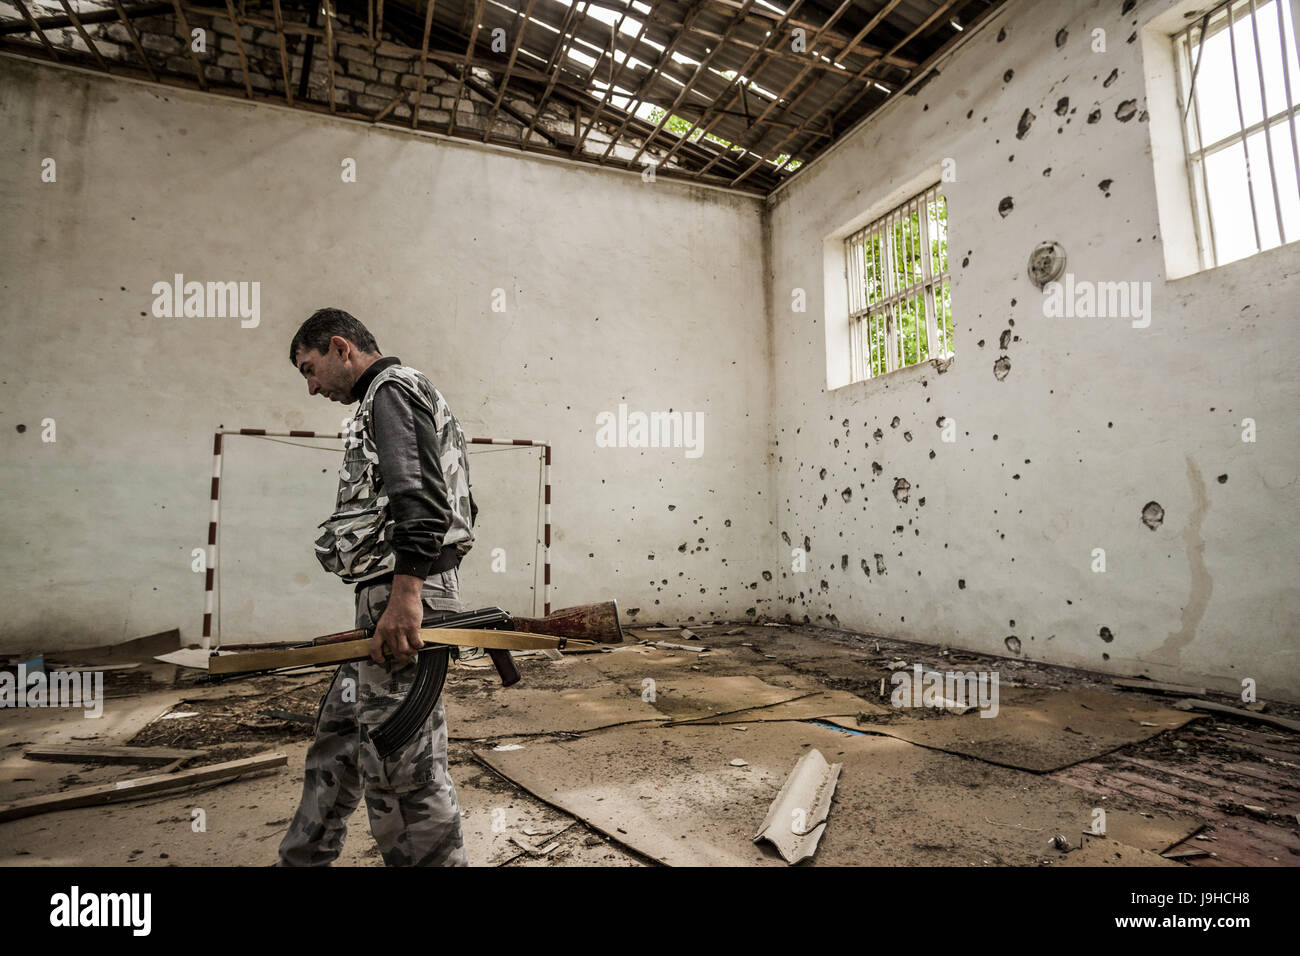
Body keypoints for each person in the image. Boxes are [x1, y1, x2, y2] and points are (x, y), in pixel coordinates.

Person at [278, 308, 477, 867]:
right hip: (385, 599)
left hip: (404, 597)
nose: (313, 386)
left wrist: (407, 594)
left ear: (342, 348)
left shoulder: (392, 389)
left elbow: (418, 498)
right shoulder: (380, 401)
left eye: (310, 369)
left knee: (401, 767)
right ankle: (303, 859)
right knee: (339, 743)